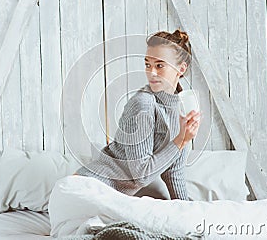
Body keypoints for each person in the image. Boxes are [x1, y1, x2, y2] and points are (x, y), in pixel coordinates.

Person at [73, 29, 202, 200]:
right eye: (148, 64)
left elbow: (174, 172)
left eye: (159, 65)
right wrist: (181, 140)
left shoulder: (181, 109)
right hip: (87, 188)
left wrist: (187, 213)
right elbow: (141, 176)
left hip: (111, 198)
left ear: (181, 69)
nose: (151, 72)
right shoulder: (143, 104)